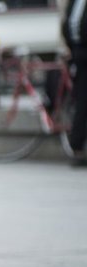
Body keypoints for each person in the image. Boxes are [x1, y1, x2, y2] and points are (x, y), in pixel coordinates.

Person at [64, 0, 87, 166]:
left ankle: (77, 147)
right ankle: (77, 148)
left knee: (82, 102)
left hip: (79, 53)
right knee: (83, 102)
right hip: (81, 54)